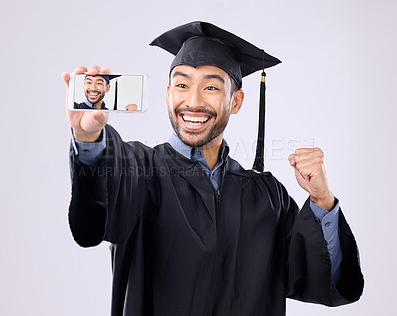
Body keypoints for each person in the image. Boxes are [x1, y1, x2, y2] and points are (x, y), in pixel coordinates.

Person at [63, 22, 364, 316]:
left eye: (210, 87)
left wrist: (322, 201)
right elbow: (90, 224)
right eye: (182, 85)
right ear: (168, 94)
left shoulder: (266, 198)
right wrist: (89, 140)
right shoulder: (141, 171)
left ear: (236, 101)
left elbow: (320, 281)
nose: (192, 102)